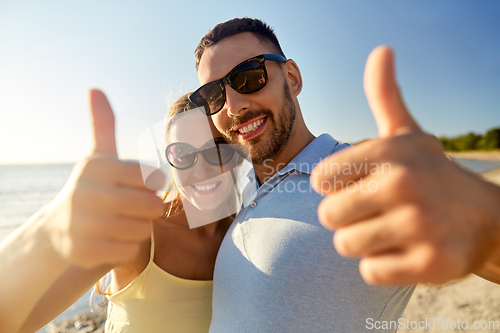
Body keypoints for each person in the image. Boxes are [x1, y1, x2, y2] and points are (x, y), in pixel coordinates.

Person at [190, 18, 414, 332]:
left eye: (249, 77)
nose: (233, 106)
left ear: (292, 78)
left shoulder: (365, 179)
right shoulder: (237, 190)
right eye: (213, 96)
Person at [0, 93, 249, 333]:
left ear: (237, 153)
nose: (201, 170)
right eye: (182, 154)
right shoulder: (140, 231)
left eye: (216, 149)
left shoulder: (248, 237)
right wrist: (49, 228)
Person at [310, 46, 500, 286]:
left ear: (293, 77)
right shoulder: (246, 185)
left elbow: (451, 234)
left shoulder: (372, 175)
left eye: (252, 76)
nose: (244, 104)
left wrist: (488, 224)